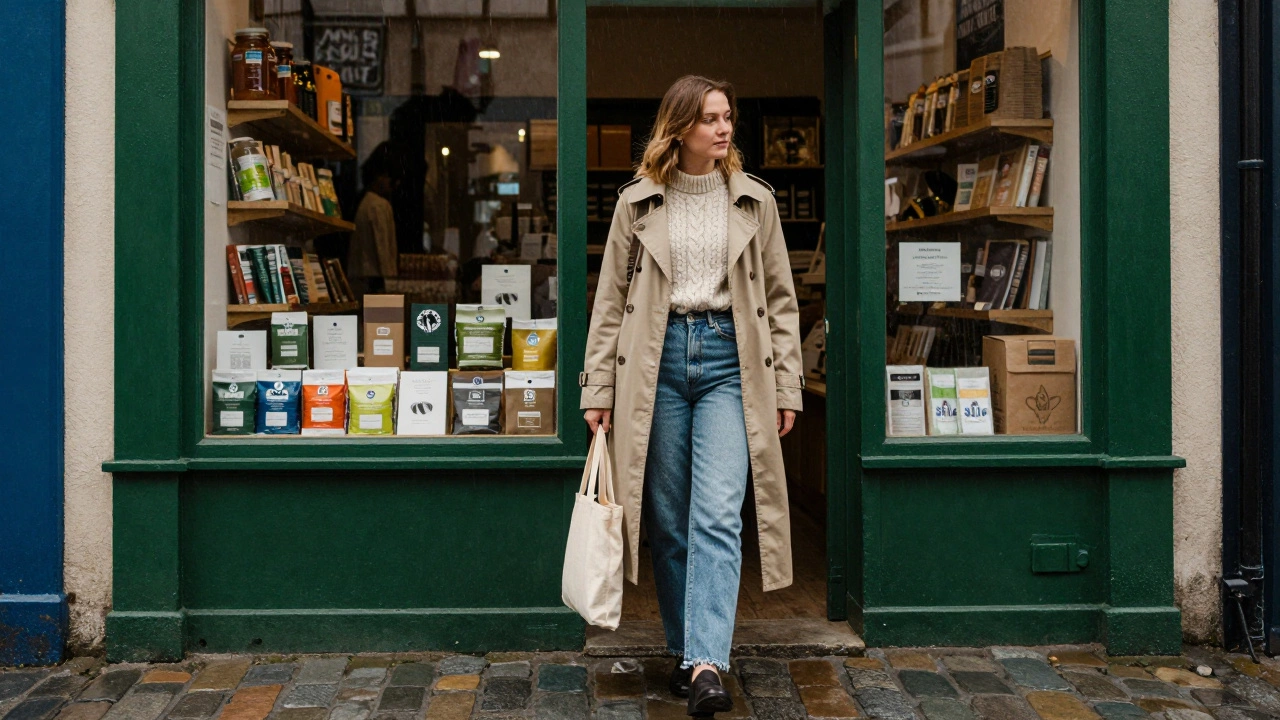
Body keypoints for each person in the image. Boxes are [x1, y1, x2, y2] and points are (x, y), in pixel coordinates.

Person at [579, 76, 804, 717]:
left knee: (717, 513)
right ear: (680, 128)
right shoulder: (639, 204)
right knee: (670, 520)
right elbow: (610, 304)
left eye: (728, 116)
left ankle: (708, 662)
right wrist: (598, 386)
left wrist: (786, 384)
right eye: (711, 118)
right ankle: (685, 652)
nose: (725, 128)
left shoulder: (755, 202)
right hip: (658, 363)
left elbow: (782, 304)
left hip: (732, 364)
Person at [348, 142, 400, 299]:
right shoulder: (378, 205)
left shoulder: (366, 202)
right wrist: (391, 284)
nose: (393, 186)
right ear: (380, 176)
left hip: (360, 278)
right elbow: (383, 248)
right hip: (373, 281)